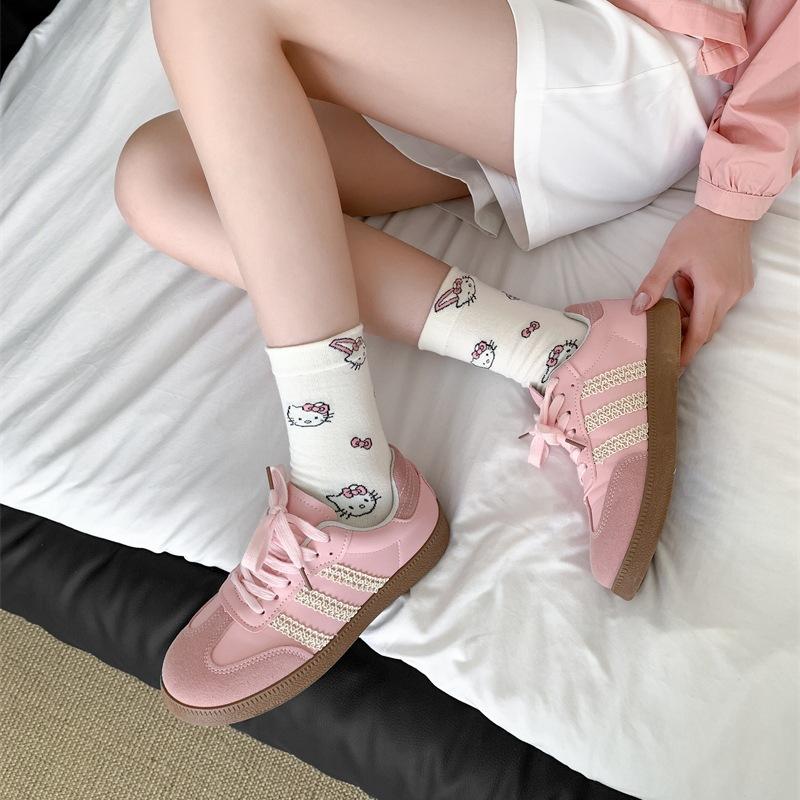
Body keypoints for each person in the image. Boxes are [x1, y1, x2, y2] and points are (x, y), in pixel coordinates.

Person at [114, 0, 799, 724]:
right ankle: (554, 349)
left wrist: (729, 205)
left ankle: (348, 489)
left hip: (628, 59)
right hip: (489, 48)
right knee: (161, 177)